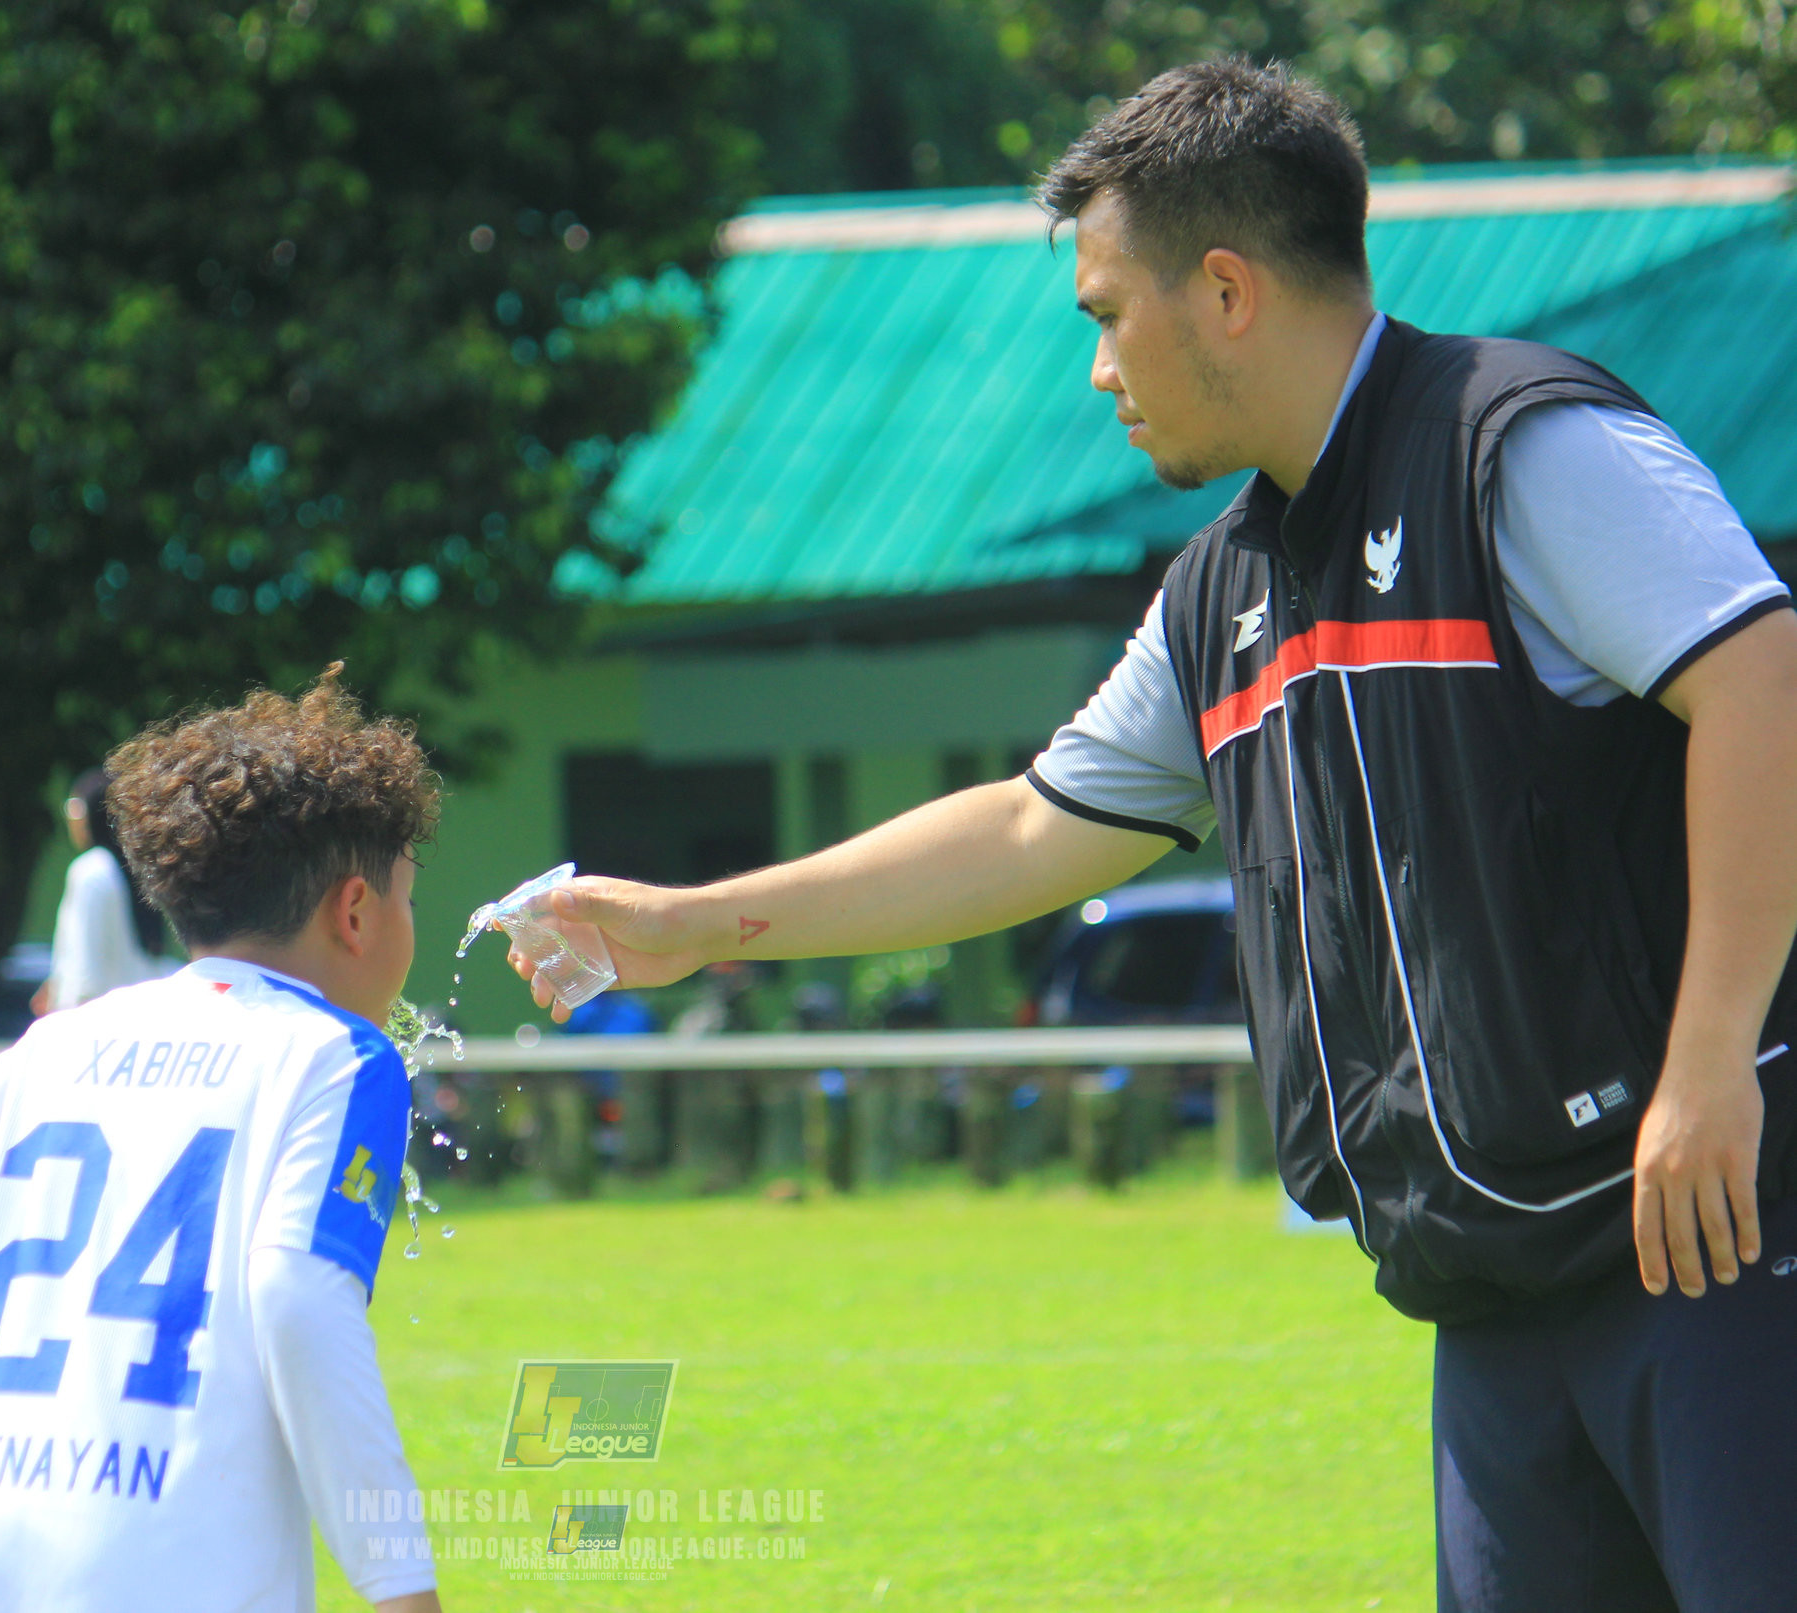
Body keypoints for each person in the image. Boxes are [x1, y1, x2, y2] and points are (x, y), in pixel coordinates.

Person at [510, 59, 1797, 1613]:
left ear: (1226, 292)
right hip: (1487, 1294)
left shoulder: (1513, 445)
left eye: (1107, 315)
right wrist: (695, 922)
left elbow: (1763, 680)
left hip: (1717, 1240)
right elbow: (1023, 827)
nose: (1097, 370)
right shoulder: (1219, 591)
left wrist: (1707, 1058)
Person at [0, 668, 443, 1613]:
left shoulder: (46, 1048)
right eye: (408, 899)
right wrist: (401, 1586)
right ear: (357, 912)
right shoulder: (339, 1055)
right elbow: (296, 1295)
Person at [30, 767, 167, 1017]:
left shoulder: (90, 871)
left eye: (74, 808)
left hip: (93, 1018)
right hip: (135, 1015)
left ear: (91, 813)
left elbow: (85, 971)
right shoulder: (135, 870)